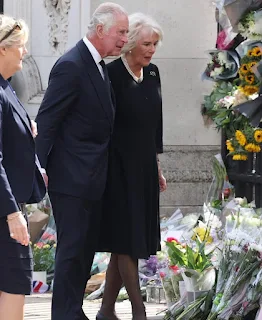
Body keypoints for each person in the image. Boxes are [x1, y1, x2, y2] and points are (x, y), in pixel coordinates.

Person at [35, 3, 129, 320]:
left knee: (85, 252)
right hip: (72, 179)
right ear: (100, 29)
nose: (124, 40)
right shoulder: (71, 65)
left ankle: (73, 310)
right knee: (72, 252)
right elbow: (47, 121)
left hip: (93, 178)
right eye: (121, 32)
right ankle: (63, 314)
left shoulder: (99, 65)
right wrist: (39, 168)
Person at [96, 13, 167, 320]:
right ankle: (139, 312)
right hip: (117, 169)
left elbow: (155, 127)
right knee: (126, 239)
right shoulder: (109, 75)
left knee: (127, 240)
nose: (151, 50)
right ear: (131, 44)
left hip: (144, 170)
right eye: (147, 44)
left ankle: (106, 311)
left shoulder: (152, 74)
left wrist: (157, 166)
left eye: (155, 44)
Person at [0, 15, 46, 320]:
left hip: (8, 210)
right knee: (14, 286)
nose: (25, 53)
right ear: (3, 49)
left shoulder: (6, 88)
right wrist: (12, 212)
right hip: (5, 214)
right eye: (21, 46)